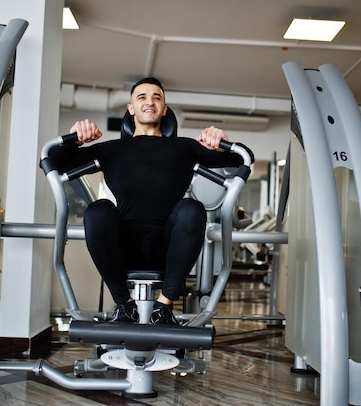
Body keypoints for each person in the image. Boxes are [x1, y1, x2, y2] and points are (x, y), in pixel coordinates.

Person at [51, 77, 250, 325]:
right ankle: (125, 305)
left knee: (191, 208)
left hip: (168, 250)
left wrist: (221, 143)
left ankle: (164, 306)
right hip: (123, 248)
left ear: (165, 110)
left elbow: (243, 159)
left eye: (157, 97)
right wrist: (75, 138)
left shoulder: (184, 148)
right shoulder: (111, 150)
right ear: (131, 108)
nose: (150, 101)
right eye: (142, 97)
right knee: (98, 210)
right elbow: (53, 164)